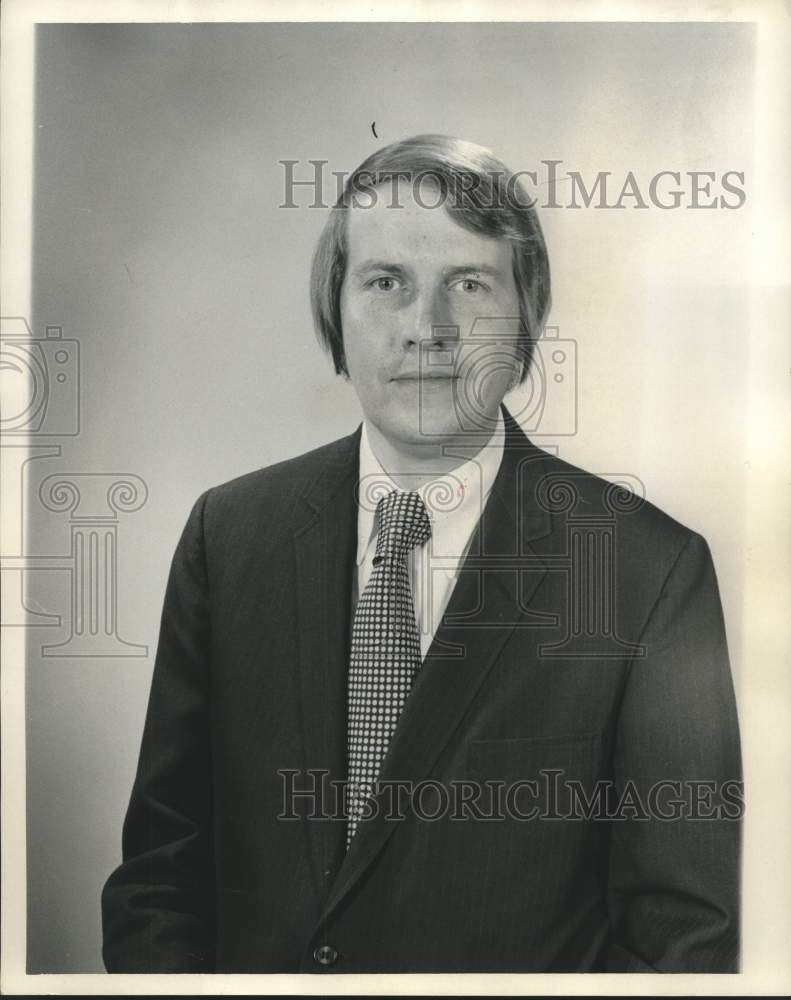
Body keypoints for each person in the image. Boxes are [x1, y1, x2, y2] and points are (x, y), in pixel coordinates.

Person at [101, 134, 742, 974]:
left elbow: (680, 940)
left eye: (468, 285)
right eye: (384, 283)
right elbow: (161, 874)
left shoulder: (646, 571)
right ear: (335, 309)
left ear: (528, 315)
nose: (428, 330)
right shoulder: (229, 535)